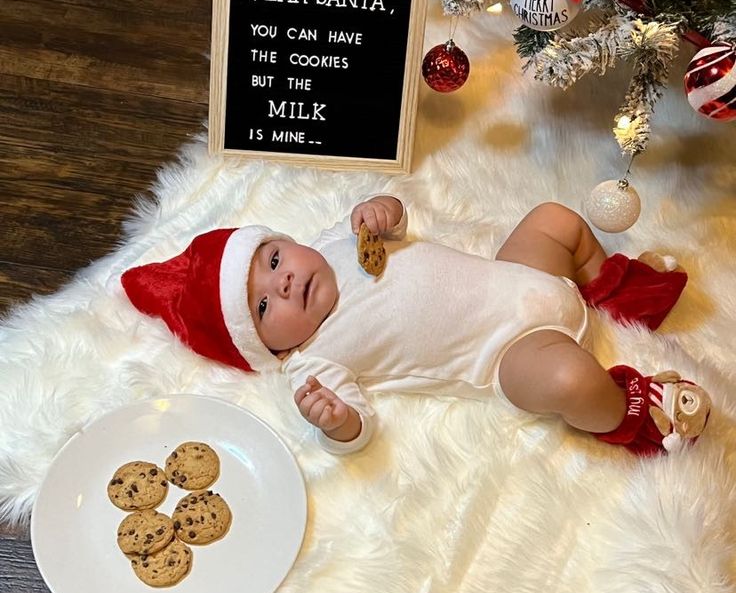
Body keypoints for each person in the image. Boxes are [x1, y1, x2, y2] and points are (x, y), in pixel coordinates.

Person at [121, 196, 711, 458]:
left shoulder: (340, 239)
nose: (280, 284)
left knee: (555, 219)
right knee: (569, 379)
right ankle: (631, 415)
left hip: (520, 276)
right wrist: (339, 423)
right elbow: (358, 431)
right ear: (268, 348)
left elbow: (399, 221)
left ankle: (607, 288)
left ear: (288, 242)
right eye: (262, 308)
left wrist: (385, 210)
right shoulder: (314, 361)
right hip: (510, 352)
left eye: (273, 260)